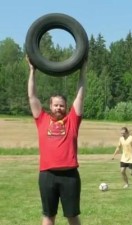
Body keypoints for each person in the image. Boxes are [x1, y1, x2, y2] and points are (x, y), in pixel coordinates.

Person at [27, 55, 87, 225]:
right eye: (56, 105)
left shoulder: (72, 120)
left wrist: (83, 69)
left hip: (70, 176)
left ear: (66, 107)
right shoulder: (42, 119)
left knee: (72, 216)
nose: (59, 108)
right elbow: (32, 97)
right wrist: (32, 71)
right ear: (50, 106)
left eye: (62, 105)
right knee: (48, 215)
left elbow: (80, 96)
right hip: (47, 175)